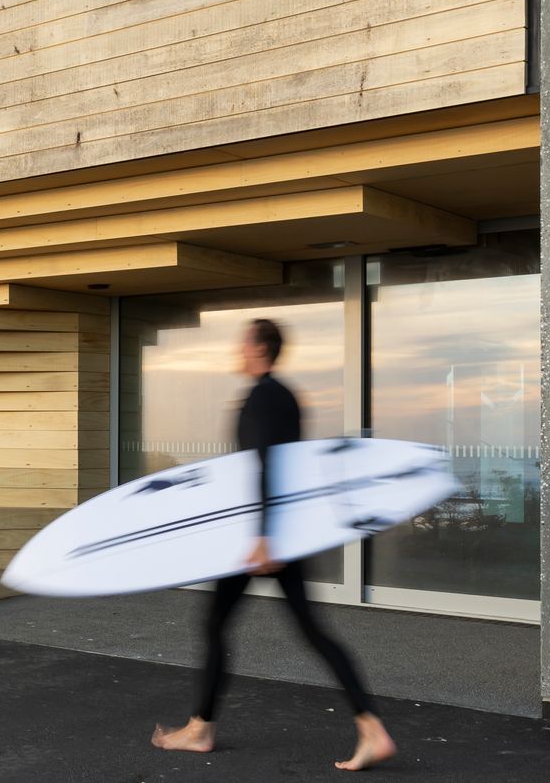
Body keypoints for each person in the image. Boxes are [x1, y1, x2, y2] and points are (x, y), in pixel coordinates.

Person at [152, 318, 394, 772]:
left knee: (220, 624)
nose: (238, 351)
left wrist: (263, 536)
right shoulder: (284, 395)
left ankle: (201, 728)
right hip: (279, 533)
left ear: (260, 348)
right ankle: (371, 727)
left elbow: (266, 465)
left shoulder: (264, 397)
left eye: (244, 344)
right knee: (307, 630)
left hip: (262, 539)